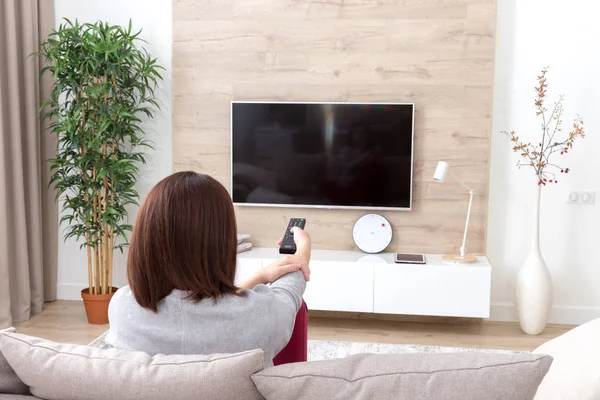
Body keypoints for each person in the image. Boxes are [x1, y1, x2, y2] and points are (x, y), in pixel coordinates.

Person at [106, 171, 311, 367]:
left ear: (145, 239)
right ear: (221, 243)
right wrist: (302, 248)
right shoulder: (259, 315)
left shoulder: (123, 308)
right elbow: (289, 292)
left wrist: (260, 276)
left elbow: (194, 310)